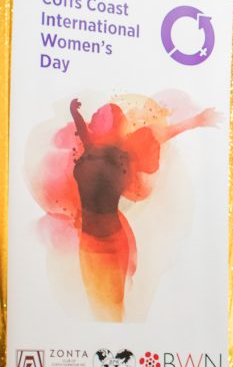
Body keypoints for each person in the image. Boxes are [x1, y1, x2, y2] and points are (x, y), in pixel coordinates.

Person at [69, 97, 217, 321]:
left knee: (112, 310)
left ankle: (120, 347)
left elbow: (161, 135)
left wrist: (197, 120)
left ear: (112, 125)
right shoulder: (92, 148)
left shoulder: (125, 154)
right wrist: (74, 113)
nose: (95, 117)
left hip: (108, 245)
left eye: (102, 115)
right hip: (87, 244)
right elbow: (84, 131)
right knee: (96, 304)